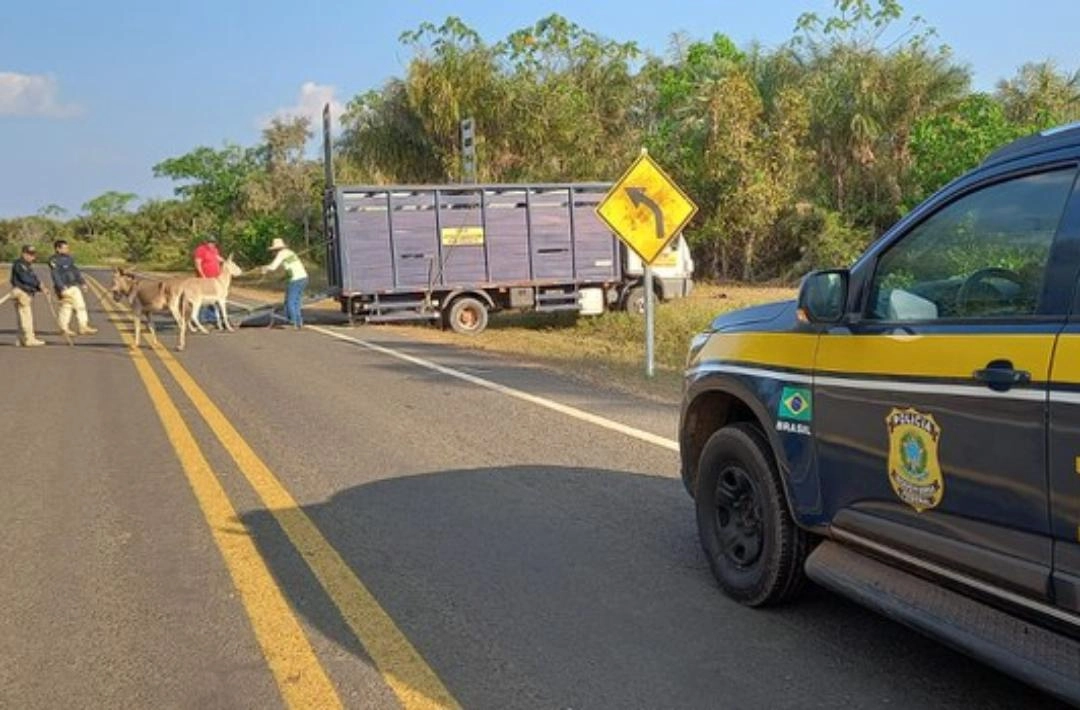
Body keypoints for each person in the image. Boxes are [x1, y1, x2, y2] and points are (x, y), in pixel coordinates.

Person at [49, 240, 97, 336]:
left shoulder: (69, 259)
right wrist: (61, 287)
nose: (67, 249)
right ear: (58, 249)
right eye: (65, 248)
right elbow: (55, 275)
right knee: (66, 307)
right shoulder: (54, 260)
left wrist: (82, 283)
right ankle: (64, 328)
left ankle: (83, 326)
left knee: (81, 306)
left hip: (73, 286)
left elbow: (76, 271)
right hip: (64, 287)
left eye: (67, 247)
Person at [261, 238, 308, 329]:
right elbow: (291, 269)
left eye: (273, 251)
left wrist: (265, 268)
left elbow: (273, 267)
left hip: (295, 279)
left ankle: (293, 322)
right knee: (297, 301)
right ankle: (299, 321)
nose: (273, 253)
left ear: (276, 249)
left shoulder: (281, 254)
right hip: (303, 277)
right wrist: (282, 278)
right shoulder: (290, 252)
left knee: (289, 301)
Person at [10, 244, 47, 347]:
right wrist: (38, 285)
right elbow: (26, 279)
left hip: (26, 292)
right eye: (29, 254)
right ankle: (29, 339)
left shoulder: (27, 265)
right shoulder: (20, 264)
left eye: (33, 255)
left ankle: (21, 339)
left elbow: (33, 278)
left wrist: (40, 287)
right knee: (26, 317)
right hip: (22, 292)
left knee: (22, 316)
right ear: (23, 254)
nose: (32, 257)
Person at [193, 234, 223, 324]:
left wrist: (227, 262)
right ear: (206, 242)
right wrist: (203, 276)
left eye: (213, 242)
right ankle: (200, 318)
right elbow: (197, 263)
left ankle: (212, 318)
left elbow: (218, 258)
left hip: (215, 279)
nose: (212, 244)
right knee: (203, 299)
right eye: (210, 242)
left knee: (213, 298)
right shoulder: (200, 250)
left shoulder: (215, 250)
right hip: (205, 279)